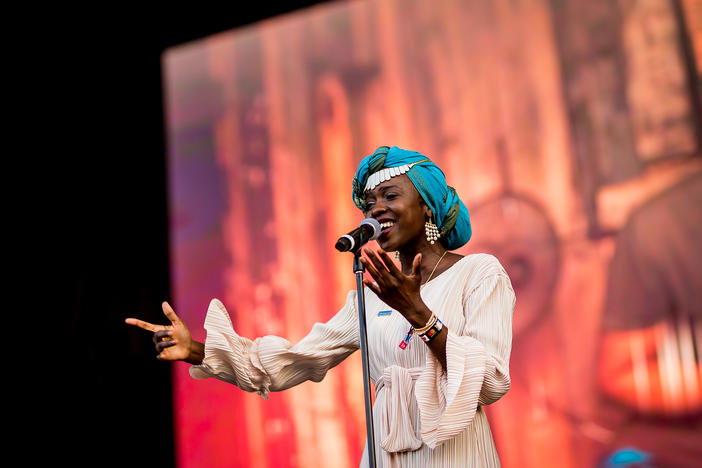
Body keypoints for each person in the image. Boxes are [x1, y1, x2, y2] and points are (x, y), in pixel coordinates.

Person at [126, 145, 516, 467]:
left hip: (456, 453)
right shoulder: (369, 295)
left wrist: (419, 315)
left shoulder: (480, 274)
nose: (375, 209)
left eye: (390, 195)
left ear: (427, 205)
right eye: (368, 204)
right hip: (387, 454)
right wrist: (194, 349)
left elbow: (490, 382)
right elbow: (295, 360)